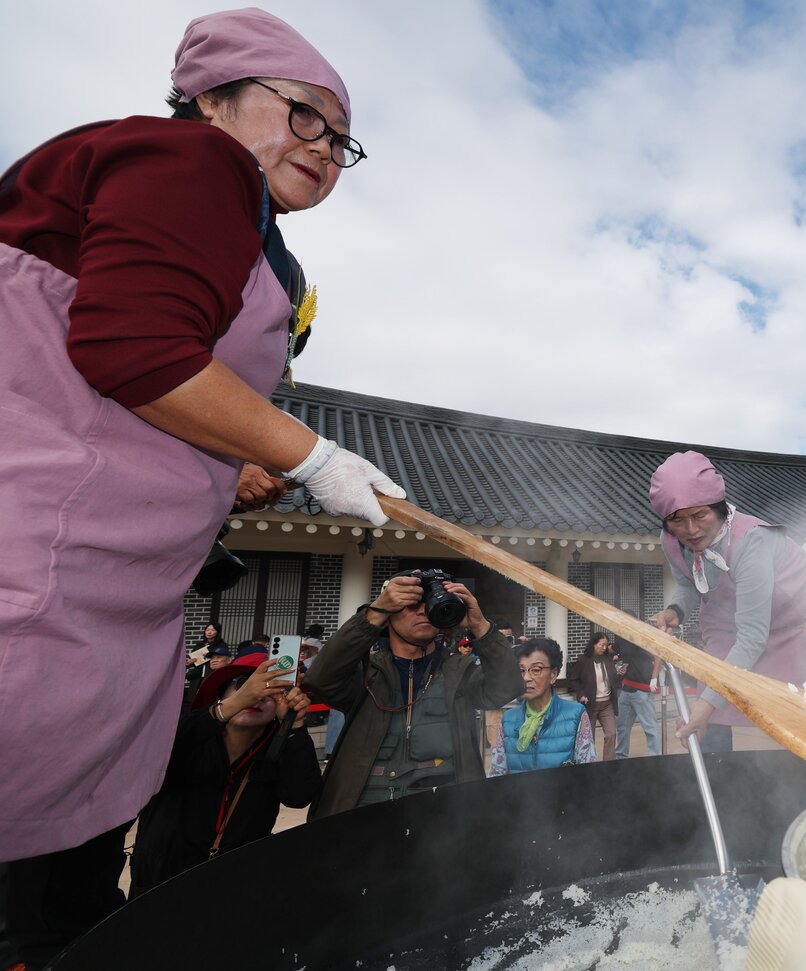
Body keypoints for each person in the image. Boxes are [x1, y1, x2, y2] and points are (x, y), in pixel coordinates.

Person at [0, 7, 405, 868]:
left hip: (107, 582)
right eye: (304, 114)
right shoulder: (192, 157)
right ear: (212, 96)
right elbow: (132, 345)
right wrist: (312, 454)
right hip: (36, 560)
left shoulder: (261, 240)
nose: (326, 149)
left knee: (65, 877)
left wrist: (241, 461)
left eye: (342, 140)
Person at [648, 452, 806, 752]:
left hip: (799, 620)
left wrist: (706, 706)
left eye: (700, 515)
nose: (691, 530)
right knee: (712, 698)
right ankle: (723, 781)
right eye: (677, 520)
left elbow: (751, 637)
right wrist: (674, 610)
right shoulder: (670, 540)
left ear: (719, 509)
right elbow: (687, 582)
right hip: (729, 623)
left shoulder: (751, 541)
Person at [302, 570, 522, 815]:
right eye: (410, 604)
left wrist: (480, 626)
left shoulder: (458, 672)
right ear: (389, 614)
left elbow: (506, 688)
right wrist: (373, 613)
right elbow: (320, 680)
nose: (422, 611)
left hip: (445, 812)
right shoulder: (366, 674)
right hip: (365, 808)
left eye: (429, 604)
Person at [129, 653, 319, 897]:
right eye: (242, 685)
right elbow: (150, 754)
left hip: (235, 883)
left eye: (273, 691)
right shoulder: (190, 733)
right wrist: (233, 705)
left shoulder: (276, 750)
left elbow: (299, 795)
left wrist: (294, 728)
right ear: (221, 694)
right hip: (161, 879)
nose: (258, 696)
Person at [488, 639, 595, 776]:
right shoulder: (508, 719)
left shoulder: (575, 715)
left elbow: (588, 773)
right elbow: (497, 775)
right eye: (521, 670)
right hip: (520, 797)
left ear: (553, 675)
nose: (526, 677)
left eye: (536, 670)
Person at [571, 632, 620, 761]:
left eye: (606, 645)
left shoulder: (608, 659)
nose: (604, 648)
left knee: (611, 734)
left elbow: (613, 680)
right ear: (594, 644)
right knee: (589, 738)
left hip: (607, 703)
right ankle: (589, 764)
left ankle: (609, 764)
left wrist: (619, 673)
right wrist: (580, 695)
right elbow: (574, 680)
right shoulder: (583, 660)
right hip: (590, 704)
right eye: (601, 645)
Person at [613, 636, 662, 758]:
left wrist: (654, 677)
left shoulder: (642, 636)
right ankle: (621, 758)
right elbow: (616, 653)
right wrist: (618, 665)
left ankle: (655, 759)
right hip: (626, 689)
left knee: (650, 728)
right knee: (622, 727)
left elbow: (658, 655)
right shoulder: (619, 637)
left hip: (643, 690)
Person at [184, 621, 227, 705]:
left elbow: (222, 660)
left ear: (217, 632)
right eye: (207, 630)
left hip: (211, 674)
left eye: (212, 630)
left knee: (208, 700)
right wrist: (189, 662)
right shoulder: (199, 645)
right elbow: (191, 661)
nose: (209, 632)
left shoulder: (221, 645)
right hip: (197, 676)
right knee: (192, 700)